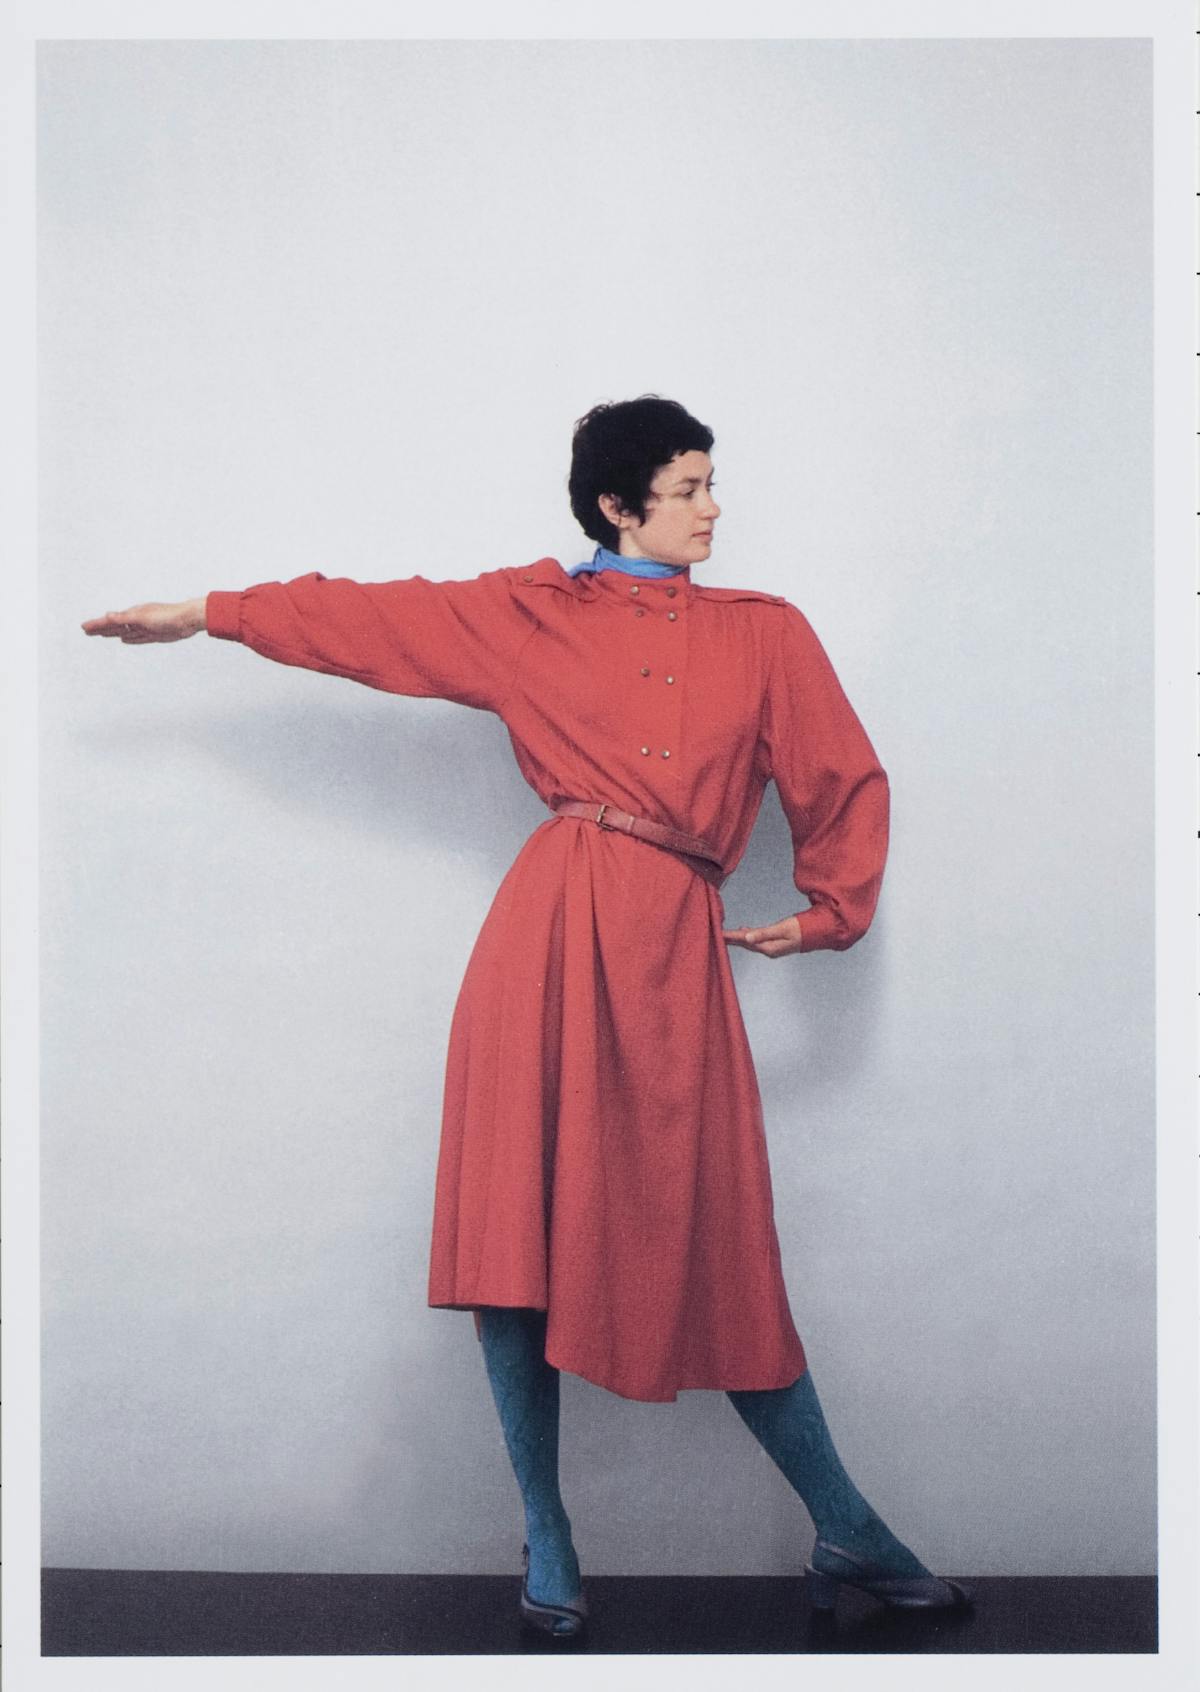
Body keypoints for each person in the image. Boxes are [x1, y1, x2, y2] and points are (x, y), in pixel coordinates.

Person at [82, 395, 971, 1639]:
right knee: (516, 1234)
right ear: (617, 504)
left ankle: (846, 1525)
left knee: (718, 1238)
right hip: (548, 938)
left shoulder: (766, 633)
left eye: (712, 483)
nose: (715, 509)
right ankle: (546, 1531)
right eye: (690, 488)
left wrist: (831, 911)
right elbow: (369, 617)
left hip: (674, 951)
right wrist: (205, 612)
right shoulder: (530, 611)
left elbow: (843, 773)